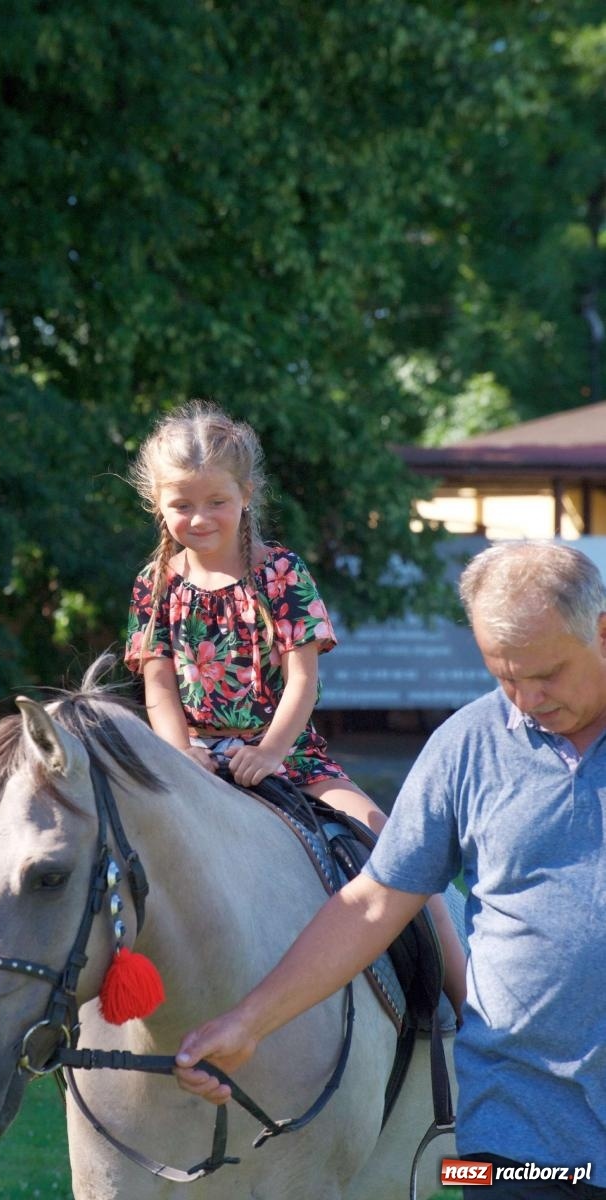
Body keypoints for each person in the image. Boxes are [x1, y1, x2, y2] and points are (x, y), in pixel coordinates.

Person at [174, 540, 606, 1200]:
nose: (524, 698)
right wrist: (247, 1023)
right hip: (517, 1128)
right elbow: (375, 902)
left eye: (546, 673)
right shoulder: (468, 745)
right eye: (504, 676)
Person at [124, 400, 466, 1015]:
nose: (199, 519)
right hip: (190, 757)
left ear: (247, 494)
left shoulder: (280, 573)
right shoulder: (155, 586)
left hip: (289, 756)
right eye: (181, 505)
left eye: (216, 502)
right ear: (158, 503)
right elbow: (158, 687)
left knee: (388, 844)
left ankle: (470, 1006)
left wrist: (270, 752)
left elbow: (302, 681)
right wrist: (180, 756)